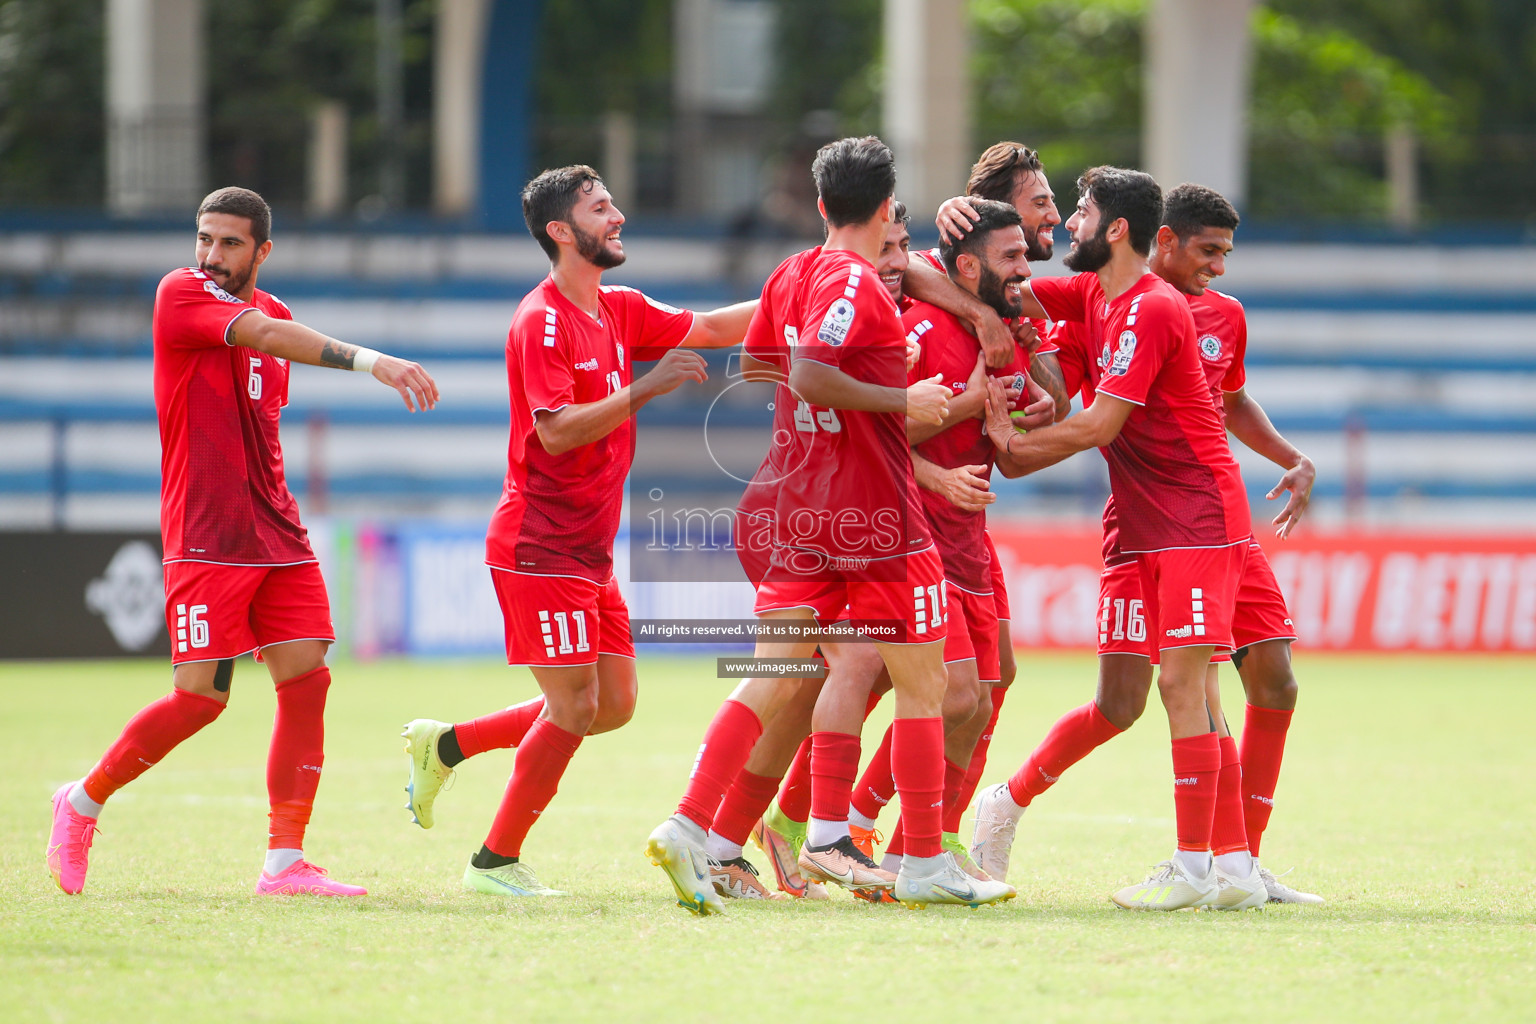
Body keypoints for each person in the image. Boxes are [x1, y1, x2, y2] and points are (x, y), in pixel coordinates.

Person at [648, 137, 1017, 911]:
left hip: (804, 513)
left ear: (819, 204)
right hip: (878, 516)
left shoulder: (792, 273)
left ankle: (694, 827)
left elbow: (760, 365)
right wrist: (896, 402)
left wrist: (822, 412)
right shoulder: (854, 281)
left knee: (775, 675)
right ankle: (914, 859)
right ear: (886, 208)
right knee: (931, 687)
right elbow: (816, 370)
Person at [46, 186, 439, 897]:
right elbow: (261, 335)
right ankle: (80, 802)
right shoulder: (180, 294)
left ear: (262, 251)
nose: (212, 256)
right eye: (204, 239)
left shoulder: (277, 311)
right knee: (200, 699)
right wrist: (373, 361)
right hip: (207, 532)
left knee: (308, 680)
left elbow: (267, 372)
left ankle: (284, 863)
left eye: (230, 244)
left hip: (277, 531)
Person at [399, 165, 756, 898]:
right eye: (600, 209)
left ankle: (449, 745)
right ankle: (494, 863)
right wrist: (646, 387)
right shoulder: (541, 320)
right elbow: (556, 434)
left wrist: (801, 290)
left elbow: (718, 327)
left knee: (614, 704)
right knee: (573, 707)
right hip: (539, 544)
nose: (617, 216)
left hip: (588, 551)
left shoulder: (617, 308)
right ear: (562, 231)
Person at [970, 184, 1322, 905]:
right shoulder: (1101, 295)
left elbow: (1209, 406)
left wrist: (1014, 450)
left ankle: (1226, 865)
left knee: (1240, 682)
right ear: (1160, 240)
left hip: (1200, 520)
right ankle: (1007, 802)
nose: (1220, 268)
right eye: (1210, 250)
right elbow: (1046, 354)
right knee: (1127, 701)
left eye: (1227, 253)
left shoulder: (1189, 311)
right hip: (1142, 526)